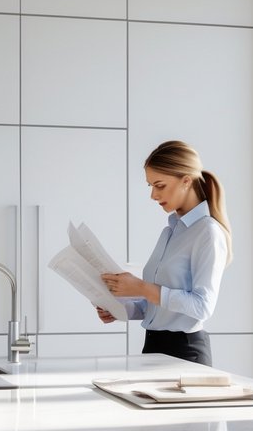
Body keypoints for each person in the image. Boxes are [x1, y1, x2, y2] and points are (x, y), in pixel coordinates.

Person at [97, 140, 231, 366]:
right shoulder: (170, 231)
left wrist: (140, 287)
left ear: (186, 181)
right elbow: (157, 305)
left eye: (159, 185)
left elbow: (202, 306)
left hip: (185, 354)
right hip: (154, 348)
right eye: (151, 186)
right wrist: (120, 309)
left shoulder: (207, 232)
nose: (153, 195)